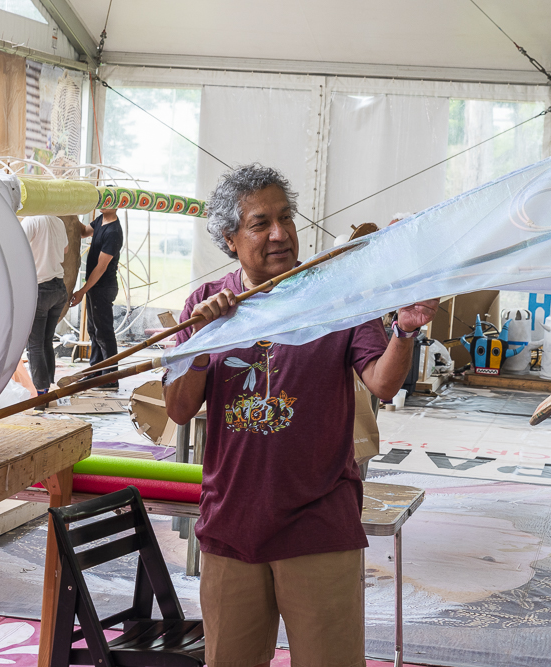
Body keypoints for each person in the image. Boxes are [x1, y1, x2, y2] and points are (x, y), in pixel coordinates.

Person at [164, 164, 439, 667]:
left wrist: (405, 330)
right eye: (260, 222)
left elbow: (382, 381)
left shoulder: (335, 292)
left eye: (286, 218)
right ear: (230, 239)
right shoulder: (205, 305)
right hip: (230, 526)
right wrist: (204, 342)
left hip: (318, 527)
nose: (280, 234)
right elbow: (180, 410)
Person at [70, 207, 124, 387]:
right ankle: (96, 372)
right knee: (94, 330)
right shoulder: (101, 219)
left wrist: (82, 290)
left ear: (116, 204)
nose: (102, 203)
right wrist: (70, 213)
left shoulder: (114, 231)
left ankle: (110, 377)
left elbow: (101, 268)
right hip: (96, 286)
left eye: (108, 200)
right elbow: (85, 231)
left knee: (104, 332)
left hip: (103, 286)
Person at [21, 214, 69, 393]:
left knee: (34, 344)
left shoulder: (30, 221)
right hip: (58, 288)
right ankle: (48, 386)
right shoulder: (58, 221)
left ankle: (41, 393)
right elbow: (64, 250)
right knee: (46, 341)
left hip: (40, 287)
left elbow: (18, 246)